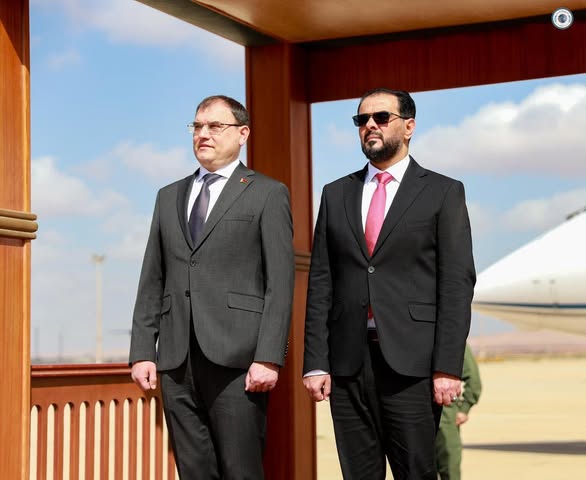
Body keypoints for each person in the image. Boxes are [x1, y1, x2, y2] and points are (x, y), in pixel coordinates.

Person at [303, 87, 476, 479]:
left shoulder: (443, 192)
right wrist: (315, 362)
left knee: (415, 471)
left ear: (409, 126)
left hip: (412, 365)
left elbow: (456, 283)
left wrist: (447, 367)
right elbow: (321, 283)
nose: (369, 126)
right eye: (361, 120)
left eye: (381, 118)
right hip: (347, 364)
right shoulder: (335, 193)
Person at [129, 95, 295, 479]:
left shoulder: (268, 193)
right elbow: (152, 276)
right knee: (193, 470)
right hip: (175, 361)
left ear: (243, 133)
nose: (203, 134)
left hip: (239, 361)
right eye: (197, 126)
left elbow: (280, 283)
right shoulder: (167, 196)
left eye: (214, 126)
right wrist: (142, 350)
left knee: (241, 470)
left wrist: (269, 356)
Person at [436, 343, 482, 480]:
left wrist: (464, 408)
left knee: (447, 469)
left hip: (442, 417)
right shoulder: (451, 341)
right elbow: (474, 380)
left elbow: (473, 381)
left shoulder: (453, 342)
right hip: (436, 417)